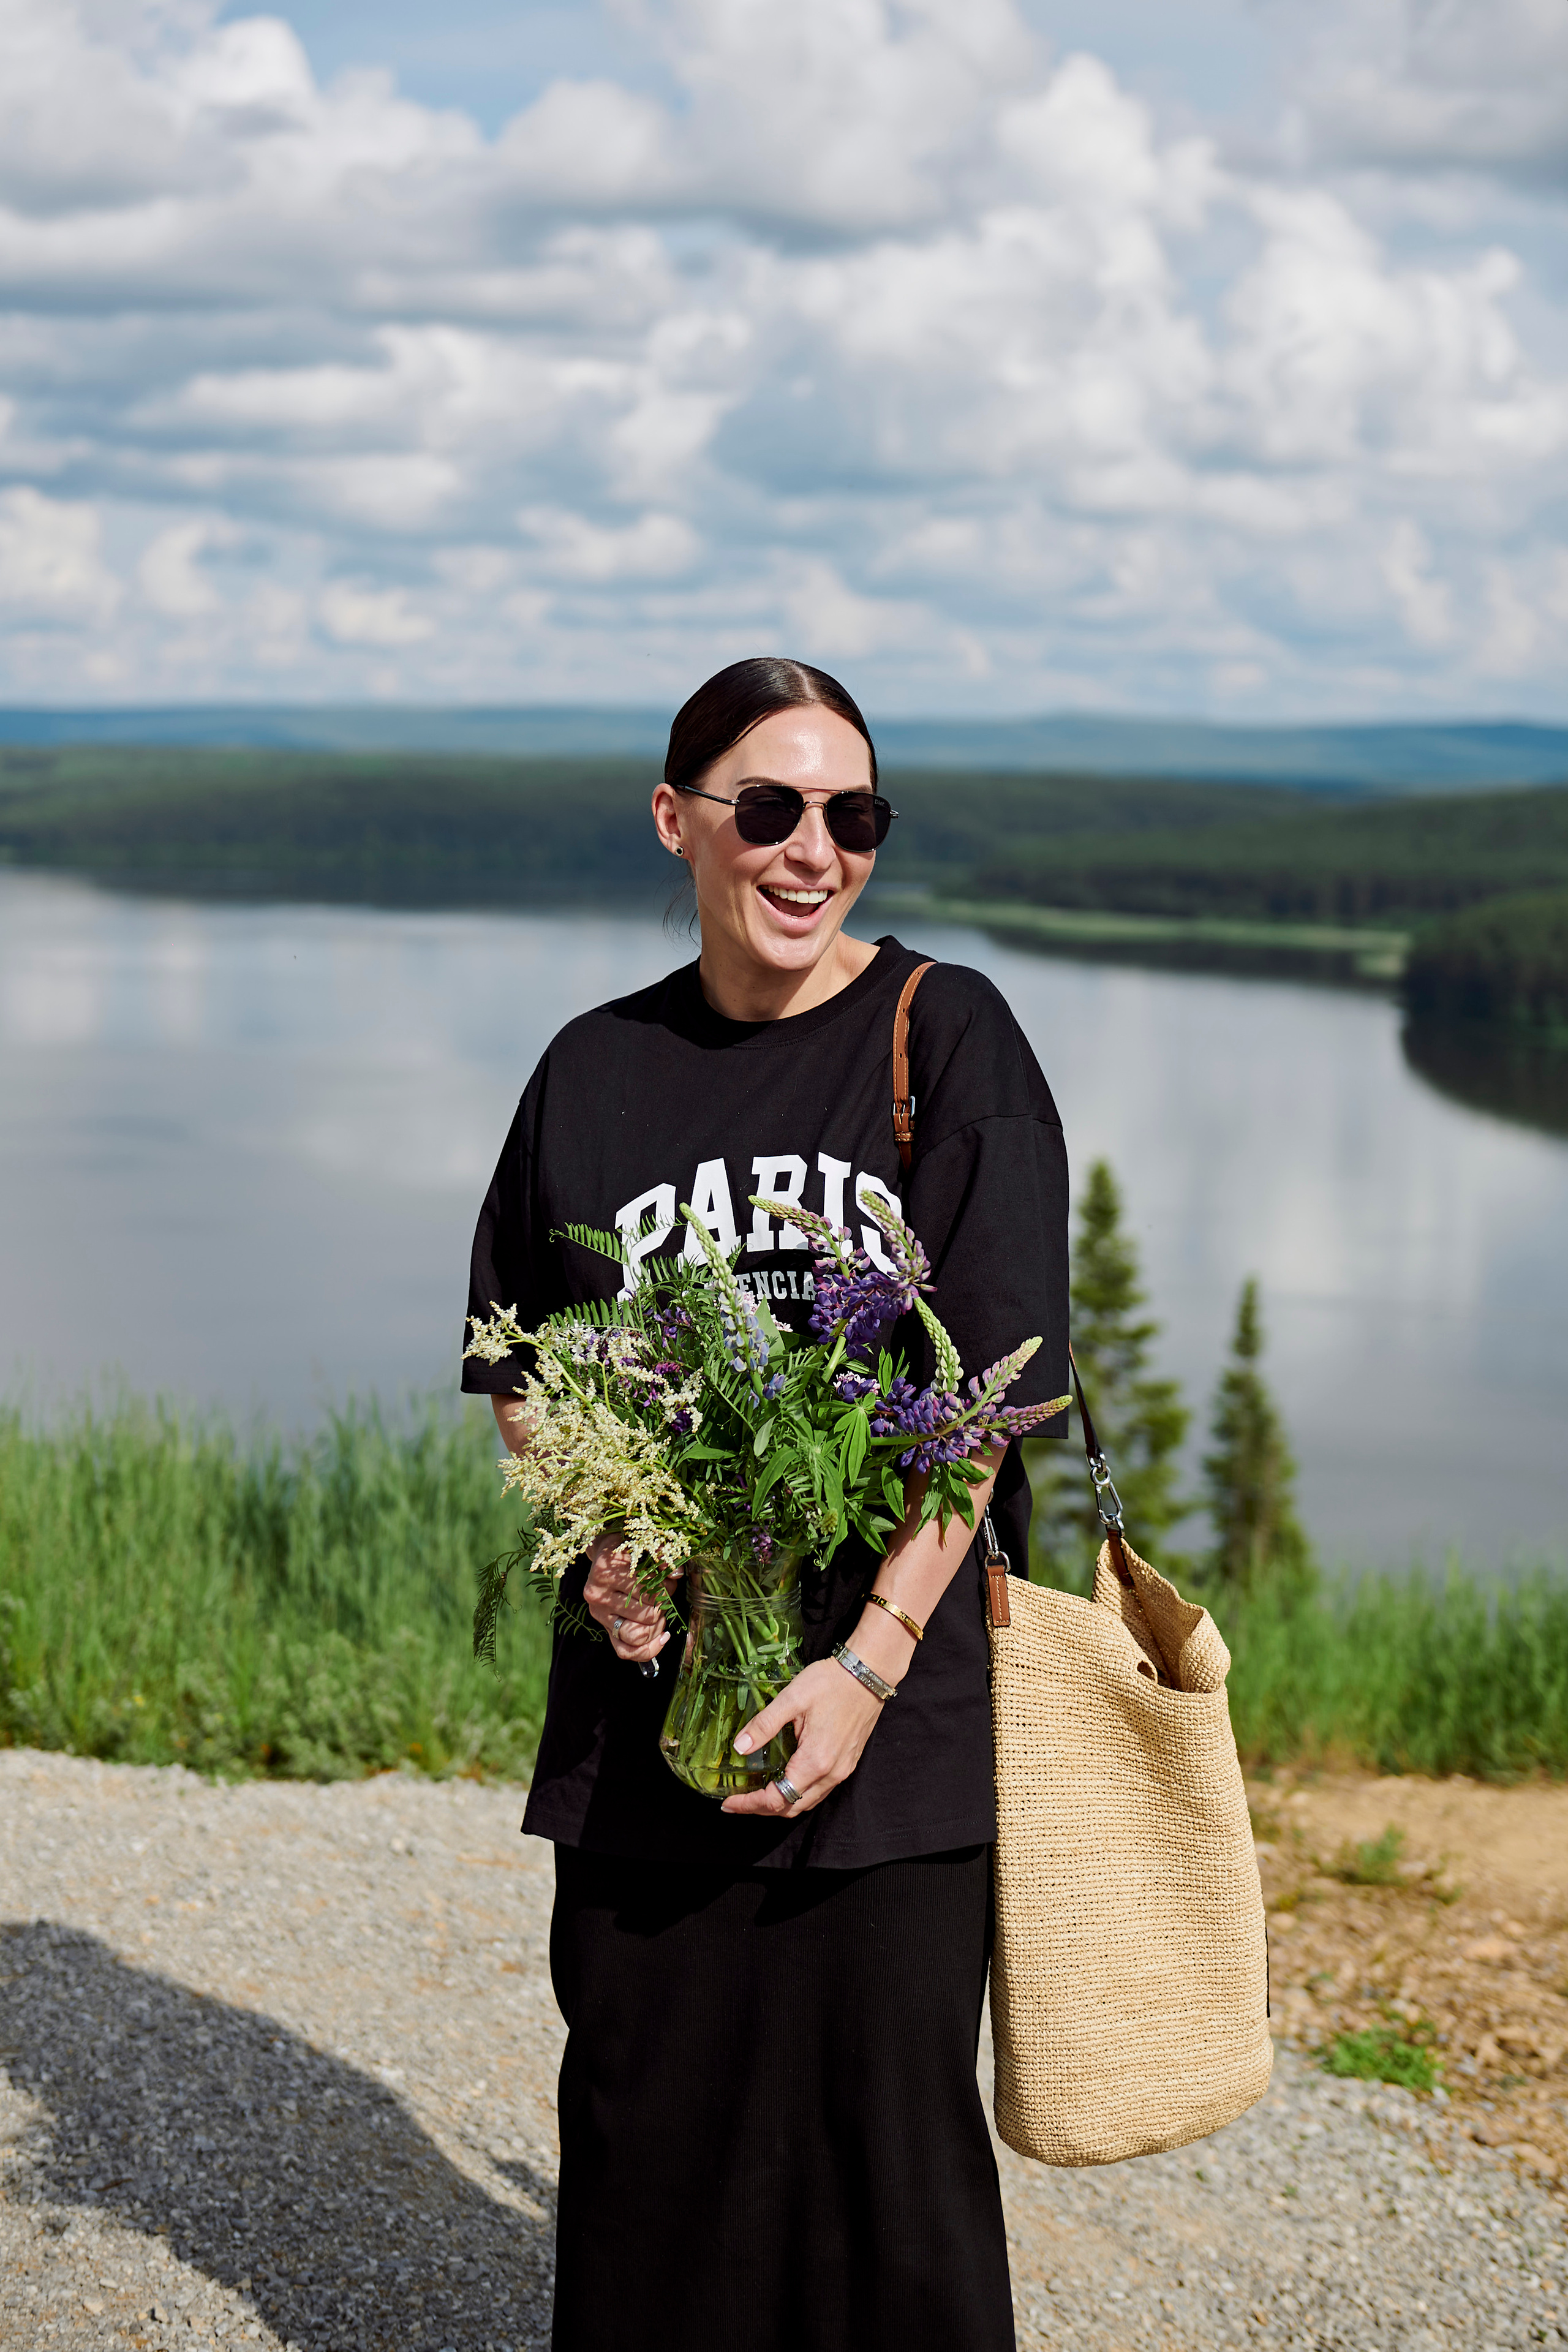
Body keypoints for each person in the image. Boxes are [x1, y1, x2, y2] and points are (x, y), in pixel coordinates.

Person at [461, 656, 1068, 2352]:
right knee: (651, 2157)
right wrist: (604, 1543)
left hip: (893, 1732)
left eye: (852, 815)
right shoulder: (594, 1070)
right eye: (771, 808)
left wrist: (869, 1664)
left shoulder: (947, 1037)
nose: (815, 849)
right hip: (655, 1733)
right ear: (678, 822)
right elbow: (521, 1359)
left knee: (889, 2190)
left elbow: (990, 1399)